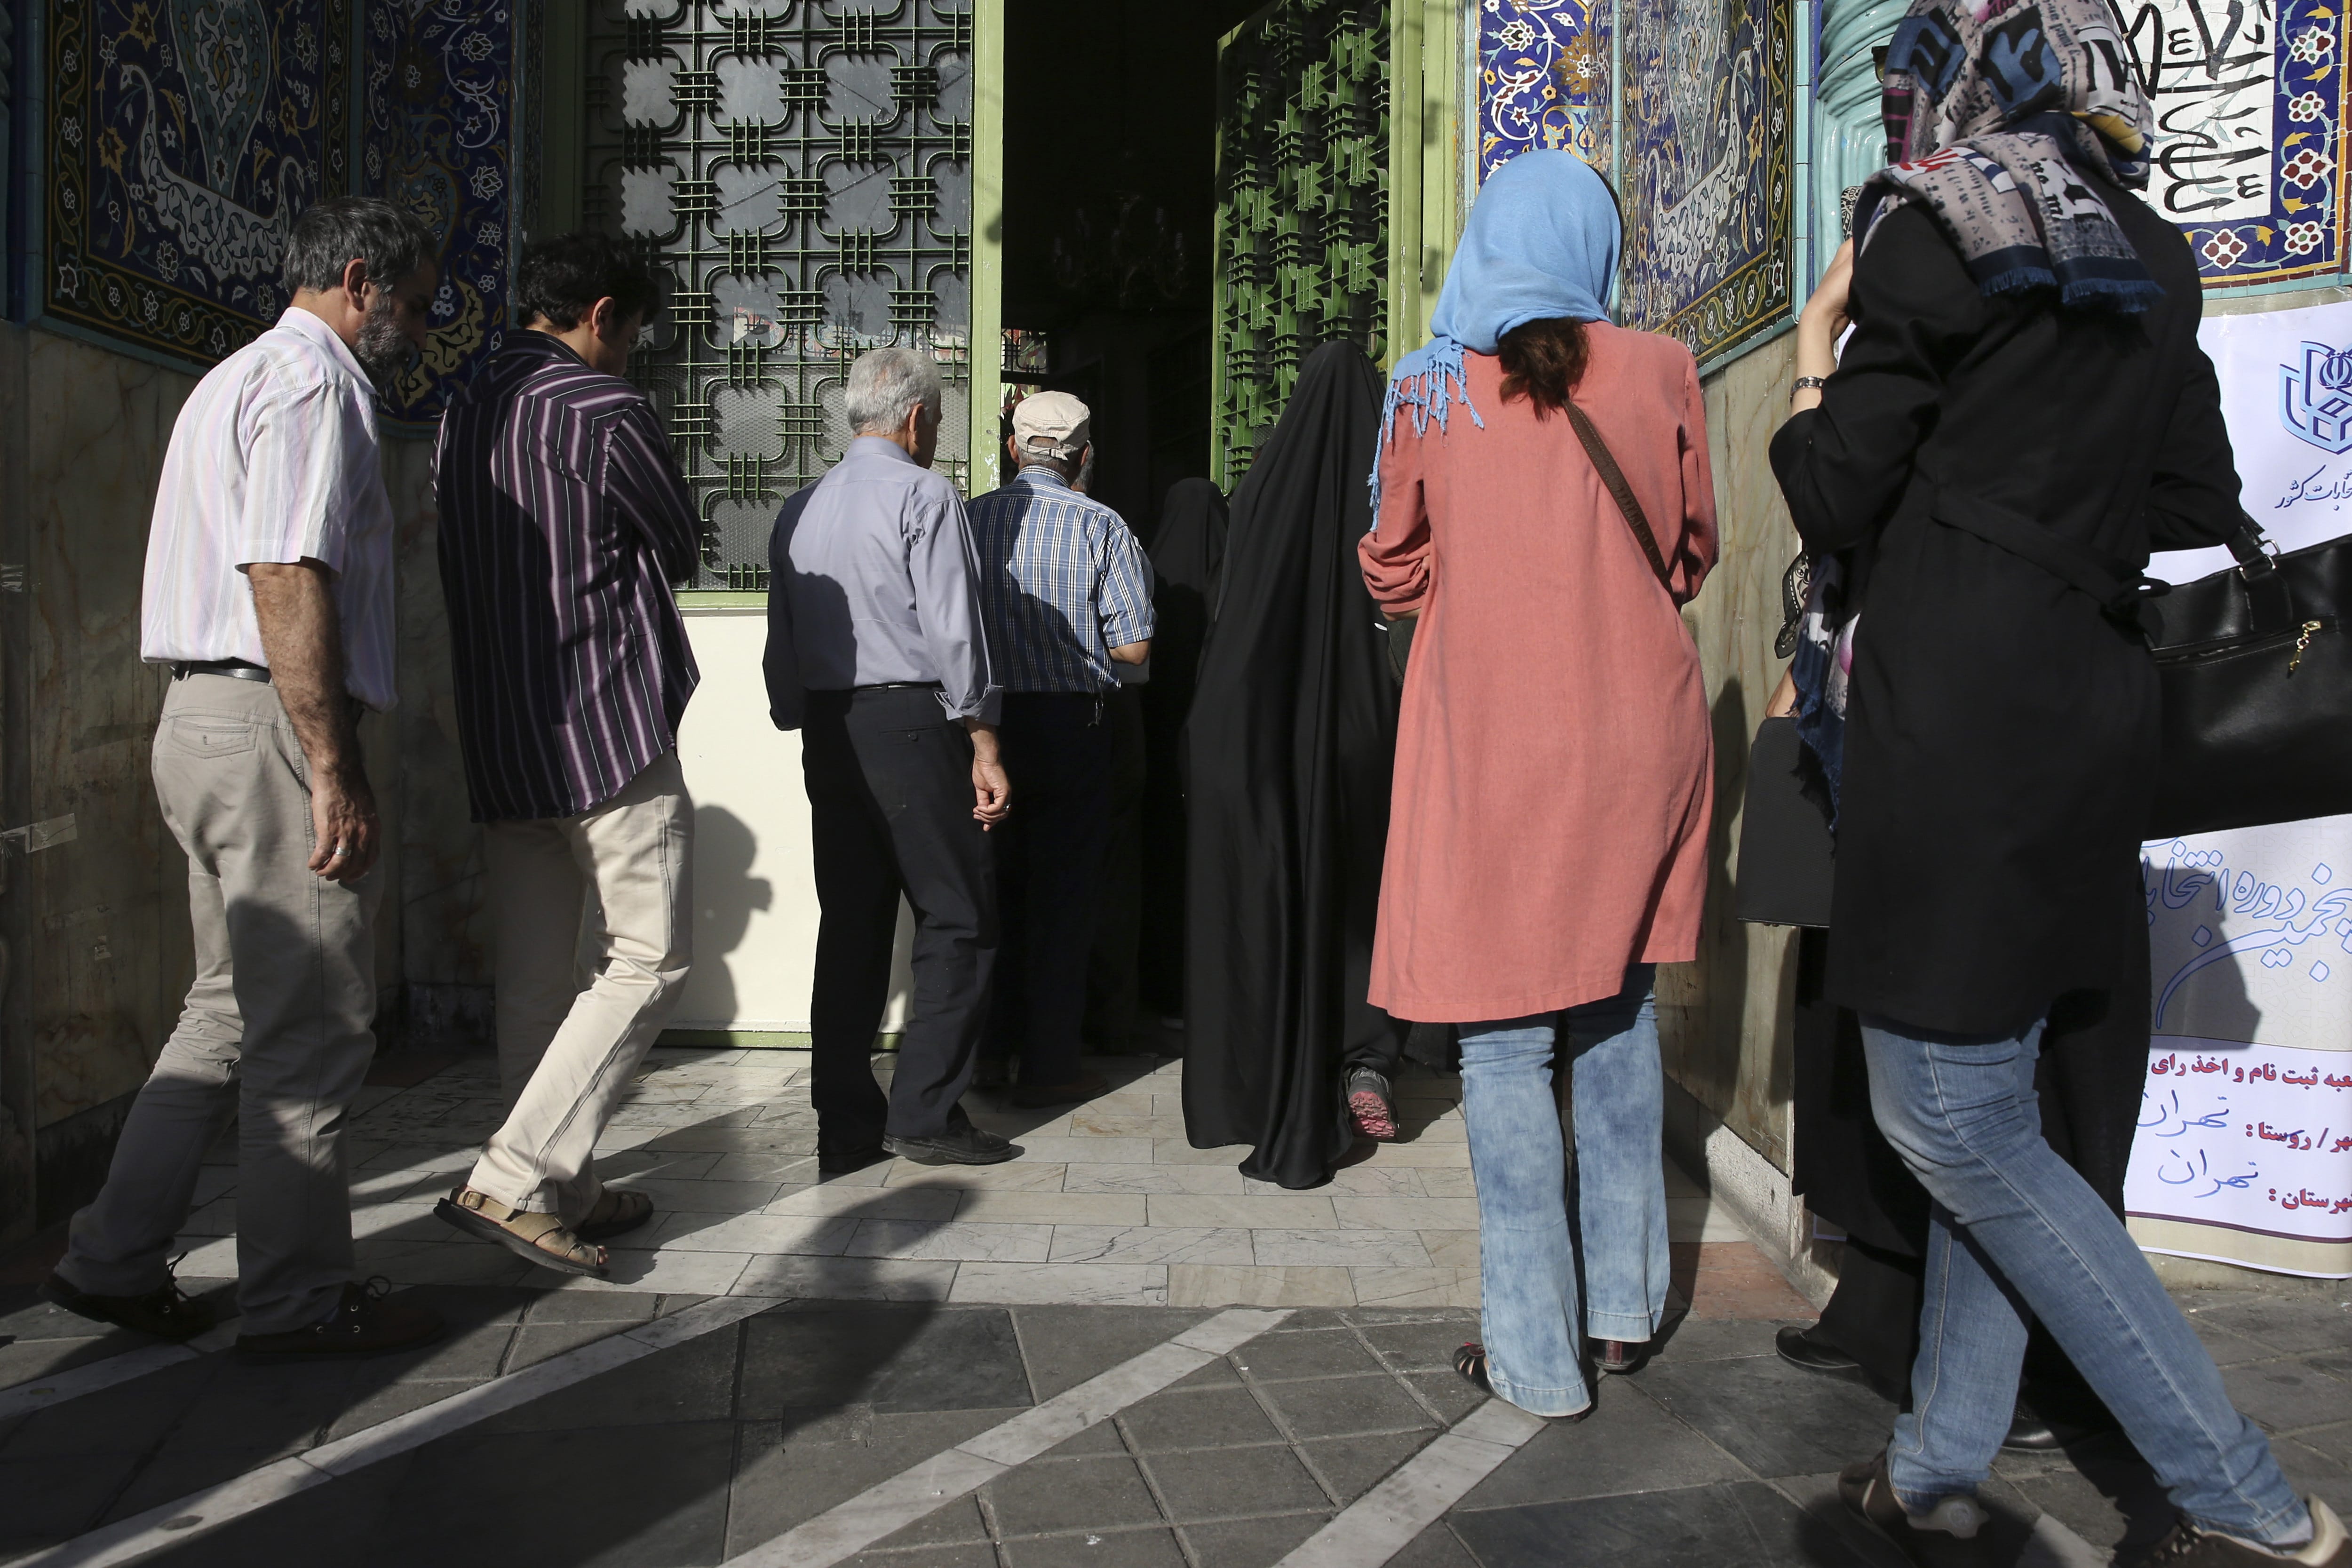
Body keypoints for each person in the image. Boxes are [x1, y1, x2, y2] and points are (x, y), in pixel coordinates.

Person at [1771, 1, 2345, 1561]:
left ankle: (2245, 1496)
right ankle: (1935, 1463)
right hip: (2089, 703)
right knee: (1998, 1096)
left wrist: (1818, 360)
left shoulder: (1931, 227)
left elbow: (1837, 487)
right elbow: (2193, 496)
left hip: (1958, 710)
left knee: (1948, 1119)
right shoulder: (2152, 253)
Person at [42, 199, 445, 1356]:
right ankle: (299, 1301)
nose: (421, 331)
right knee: (310, 1029)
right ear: (361, 281)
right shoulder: (315, 383)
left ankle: (113, 1255)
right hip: (270, 723)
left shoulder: (234, 376)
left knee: (226, 1007)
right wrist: (331, 763)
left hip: (202, 721)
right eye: (417, 306)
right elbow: (284, 569)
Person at [1359, 149, 1716, 1420]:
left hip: (1491, 738)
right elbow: (1691, 553)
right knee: (1617, 1010)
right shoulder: (1664, 368)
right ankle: (1622, 1311)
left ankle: (1535, 1353)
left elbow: (1391, 567)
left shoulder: (1427, 389)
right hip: (1638, 734)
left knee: (1502, 1039)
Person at [429, 233, 701, 1279]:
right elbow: (677, 539)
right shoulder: (601, 408)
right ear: (600, 316)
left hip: (504, 732)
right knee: (648, 956)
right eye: (632, 331)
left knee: (536, 981)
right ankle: (513, 1174)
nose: (631, 350)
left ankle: (562, 1188)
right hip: (606, 720)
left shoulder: (463, 406)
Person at [764, 348, 1017, 1168]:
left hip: (830, 726)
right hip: (910, 720)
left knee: (852, 920)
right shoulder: (924, 495)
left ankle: (845, 1117)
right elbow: (954, 626)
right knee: (958, 912)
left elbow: (781, 640)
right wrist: (982, 737)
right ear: (915, 419)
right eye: (936, 420)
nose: (934, 435)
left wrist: (800, 713)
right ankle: (925, 1112)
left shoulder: (801, 506)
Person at [1179, 343, 1408, 1189]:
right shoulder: (1391, 492)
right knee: (1364, 892)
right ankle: (1367, 1059)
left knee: (1283, 894)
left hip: (1269, 733)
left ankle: (1261, 1069)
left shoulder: (1261, 496)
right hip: (1370, 730)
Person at [965, 392, 1155, 1107]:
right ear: (1082, 456)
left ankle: (987, 1054)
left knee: (990, 892)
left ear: (1013, 449)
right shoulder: (1101, 525)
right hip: (1073, 729)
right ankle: (1049, 1065)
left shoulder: (970, 520)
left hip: (984, 730)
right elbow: (1134, 648)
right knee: (1063, 898)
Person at [1136, 478, 1228, 1023]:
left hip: (1153, 749)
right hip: (1211, 756)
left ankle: (1154, 990)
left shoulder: (1150, 574)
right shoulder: (1232, 582)